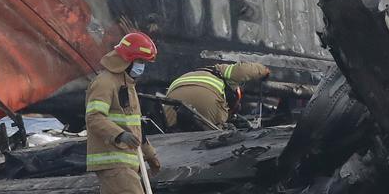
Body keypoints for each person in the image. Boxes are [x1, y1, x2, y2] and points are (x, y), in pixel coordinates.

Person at [86, 32, 161, 194]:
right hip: (113, 160)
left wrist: (150, 154)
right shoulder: (105, 82)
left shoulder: (127, 85)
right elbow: (94, 117)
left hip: (125, 162)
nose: (142, 67)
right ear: (127, 59)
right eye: (140, 61)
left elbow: (134, 126)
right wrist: (119, 134)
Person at [163, 61, 271, 130]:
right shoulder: (221, 70)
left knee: (173, 131)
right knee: (217, 138)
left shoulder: (192, 74)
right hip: (206, 99)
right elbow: (244, 70)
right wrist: (263, 70)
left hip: (171, 103)